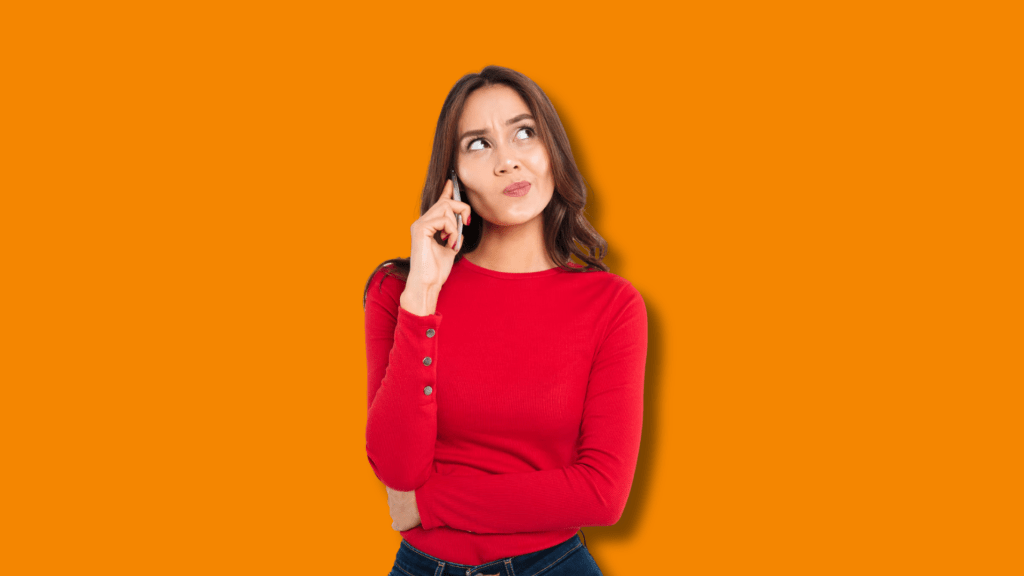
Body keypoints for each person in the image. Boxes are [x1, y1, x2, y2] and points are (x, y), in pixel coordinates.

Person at [363, 65, 647, 576]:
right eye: (478, 144)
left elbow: (602, 494)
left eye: (524, 133)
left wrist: (428, 504)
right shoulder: (399, 291)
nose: (507, 161)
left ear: (551, 151)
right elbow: (397, 467)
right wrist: (422, 294)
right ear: (453, 179)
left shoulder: (612, 305)